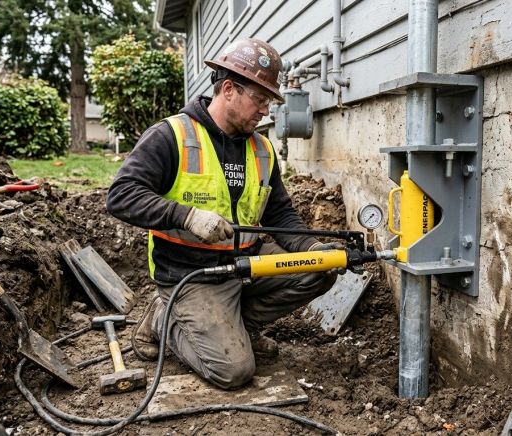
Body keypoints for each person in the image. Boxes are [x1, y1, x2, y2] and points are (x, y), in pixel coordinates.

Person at [106, 38, 338, 389]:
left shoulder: (262, 149)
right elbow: (121, 196)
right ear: (228, 89)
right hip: (192, 274)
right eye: (259, 100)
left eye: (268, 102)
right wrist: (186, 216)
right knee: (234, 372)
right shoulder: (172, 135)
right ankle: (162, 319)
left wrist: (311, 249)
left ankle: (237, 328)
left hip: (246, 263)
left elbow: (280, 213)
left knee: (319, 272)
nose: (266, 112)